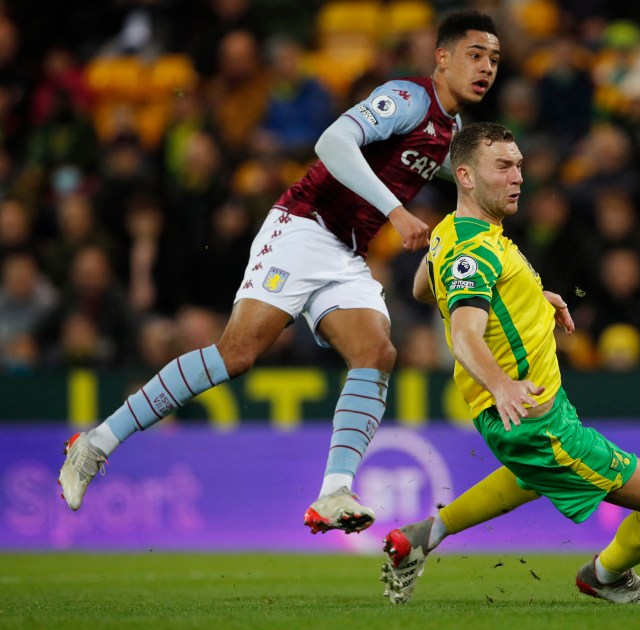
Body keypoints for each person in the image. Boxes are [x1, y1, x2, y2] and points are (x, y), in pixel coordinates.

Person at [57, 11, 501, 537]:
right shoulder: (407, 98)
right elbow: (332, 144)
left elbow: (472, 190)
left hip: (346, 253)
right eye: (475, 55)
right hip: (302, 227)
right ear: (442, 57)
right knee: (237, 354)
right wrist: (397, 212)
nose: (487, 68)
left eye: (495, 59)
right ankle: (95, 445)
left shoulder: (450, 132)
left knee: (377, 351)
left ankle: (334, 491)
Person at [379, 122, 640, 605]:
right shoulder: (475, 247)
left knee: (531, 477)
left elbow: (424, 287)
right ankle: (605, 576)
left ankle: (425, 535)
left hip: (527, 414)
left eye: (519, 166)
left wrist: (528, 296)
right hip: (533, 419)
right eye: (503, 166)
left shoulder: (452, 232)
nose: (518, 177)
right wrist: (502, 383)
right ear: (465, 175)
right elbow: (464, 333)